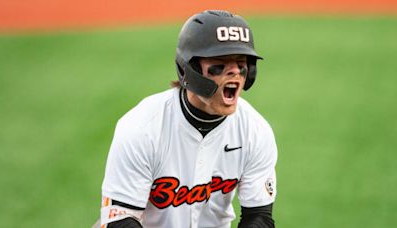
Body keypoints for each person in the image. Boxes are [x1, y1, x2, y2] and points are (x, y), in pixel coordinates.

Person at [98, 10, 278, 228]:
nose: (235, 71)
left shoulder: (254, 130)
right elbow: (120, 219)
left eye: (241, 63)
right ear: (189, 69)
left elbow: (259, 217)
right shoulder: (142, 127)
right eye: (221, 62)